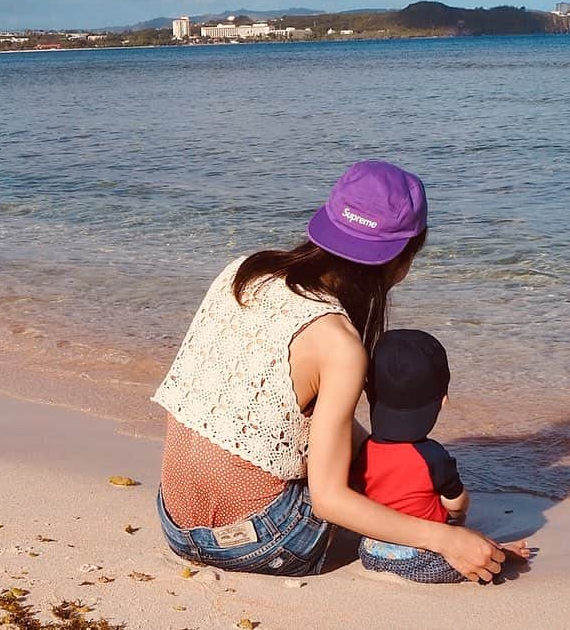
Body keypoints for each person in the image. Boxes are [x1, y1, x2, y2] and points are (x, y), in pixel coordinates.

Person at [153, 160, 509, 581]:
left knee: (357, 455)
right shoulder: (338, 343)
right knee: (383, 495)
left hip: (175, 523)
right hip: (262, 541)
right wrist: (445, 539)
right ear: (405, 255)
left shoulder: (245, 271)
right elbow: (328, 502)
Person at [352, 329, 496, 583]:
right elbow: (456, 503)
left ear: (369, 393)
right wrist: (459, 512)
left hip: (370, 551)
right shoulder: (432, 456)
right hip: (419, 557)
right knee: (480, 558)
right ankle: (502, 552)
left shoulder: (364, 449)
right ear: (442, 401)